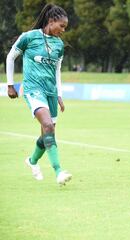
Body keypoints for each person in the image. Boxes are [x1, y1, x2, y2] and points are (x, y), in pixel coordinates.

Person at [6, 3, 72, 185]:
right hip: (33, 90)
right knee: (48, 127)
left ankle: (32, 161)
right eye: (62, 26)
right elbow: (11, 57)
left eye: (65, 27)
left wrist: (59, 95)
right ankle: (59, 171)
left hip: (51, 92)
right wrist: (10, 85)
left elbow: (57, 71)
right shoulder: (29, 37)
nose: (63, 30)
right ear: (51, 21)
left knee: (46, 134)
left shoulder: (59, 45)